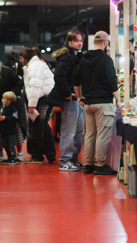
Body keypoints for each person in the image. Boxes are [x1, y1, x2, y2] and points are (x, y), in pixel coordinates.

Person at [73, 31, 121, 175]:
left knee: (90, 135)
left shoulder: (84, 59)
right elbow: (111, 80)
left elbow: (75, 80)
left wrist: (79, 97)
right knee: (102, 134)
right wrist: (118, 99)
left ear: (94, 42)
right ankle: (100, 165)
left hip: (88, 104)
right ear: (106, 42)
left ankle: (88, 165)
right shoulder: (106, 59)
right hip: (103, 103)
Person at [48, 30, 86, 172]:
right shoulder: (67, 57)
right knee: (69, 130)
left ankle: (73, 159)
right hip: (71, 99)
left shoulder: (78, 57)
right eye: (76, 40)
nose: (79, 43)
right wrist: (67, 93)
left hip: (78, 99)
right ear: (69, 42)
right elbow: (59, 76)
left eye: (81, 40)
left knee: (78, 130)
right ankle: (65, 160)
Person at [19, 47, 56, 164]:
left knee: (35, 128)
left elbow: (35, 86)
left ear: (25, 57)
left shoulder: (34, 67)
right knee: (43, 127)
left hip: (40, 99)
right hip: (46, 98)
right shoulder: (38, 64)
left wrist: (31, 105)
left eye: (21, 58)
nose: (20, 60)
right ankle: (50, 154)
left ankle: (36, 156)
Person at [0, 91, 20, 165]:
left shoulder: (13, 109)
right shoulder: (2, 107)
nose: (2, 99)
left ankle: (13, 157)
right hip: (3, 130)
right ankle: (8, 157)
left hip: (10, 130)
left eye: (4, 98)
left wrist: (5, 118)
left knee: (10, 144)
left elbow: (15, 117)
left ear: (8, 101)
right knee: (5, 144)